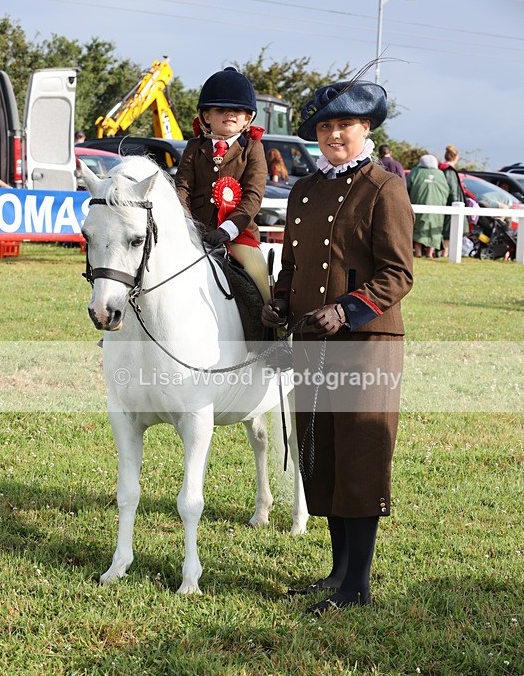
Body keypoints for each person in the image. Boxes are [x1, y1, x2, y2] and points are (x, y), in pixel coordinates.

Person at [262, 73, 414, 616]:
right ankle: (337, 573)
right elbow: (296, 265)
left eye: (344, 125)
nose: (334, 135)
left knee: (359, 454)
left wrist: (346, 310)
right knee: (320, 453)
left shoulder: (383, 187)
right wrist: (281, 300)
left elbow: (398, 274)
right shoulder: (304, 189)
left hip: (366, 343)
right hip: (310, 341)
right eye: (326, 126)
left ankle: (358, 583)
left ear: (366, 127)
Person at [175, 67, 269, 303]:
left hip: (238, 236)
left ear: (248, 118)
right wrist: (189, 225)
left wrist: (227, 230)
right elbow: (182, 188)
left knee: (261, 282)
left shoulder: (253, 149)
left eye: (237, 110)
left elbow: (253, 196)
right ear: (206, 116)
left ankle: (272, 333)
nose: (229, 114)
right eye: (220, 110)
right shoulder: (194, 147)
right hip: (195, 233)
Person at [406, 154, 450, 258]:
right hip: (438, 208)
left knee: (418, 227)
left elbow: (406, 188)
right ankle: (429, 253)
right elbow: (446, 190)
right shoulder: (440, 174)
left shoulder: (415, 172)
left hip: (417, 206)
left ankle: (418, 253)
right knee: (435, 229)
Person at [438, 144, 466, 257]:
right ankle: (445, 252)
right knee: (449, 231)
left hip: (448, 204)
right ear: (455, 157)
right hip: (452, 204)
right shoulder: (449, 171)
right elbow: (453, 189)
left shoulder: (444, 169)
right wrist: (455, 202)